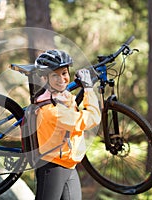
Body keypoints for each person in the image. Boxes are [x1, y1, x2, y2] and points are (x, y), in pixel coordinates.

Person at [33, 50, 101, 200]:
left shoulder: (62, 96)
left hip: (69, 165)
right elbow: (92, 118)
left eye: (64, 73)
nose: (61, 79)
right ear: (45, 79)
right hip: (52, 166)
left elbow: (73, 104)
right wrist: (89, 89)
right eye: (55, 75)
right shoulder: (52, 111)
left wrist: (84, 83)